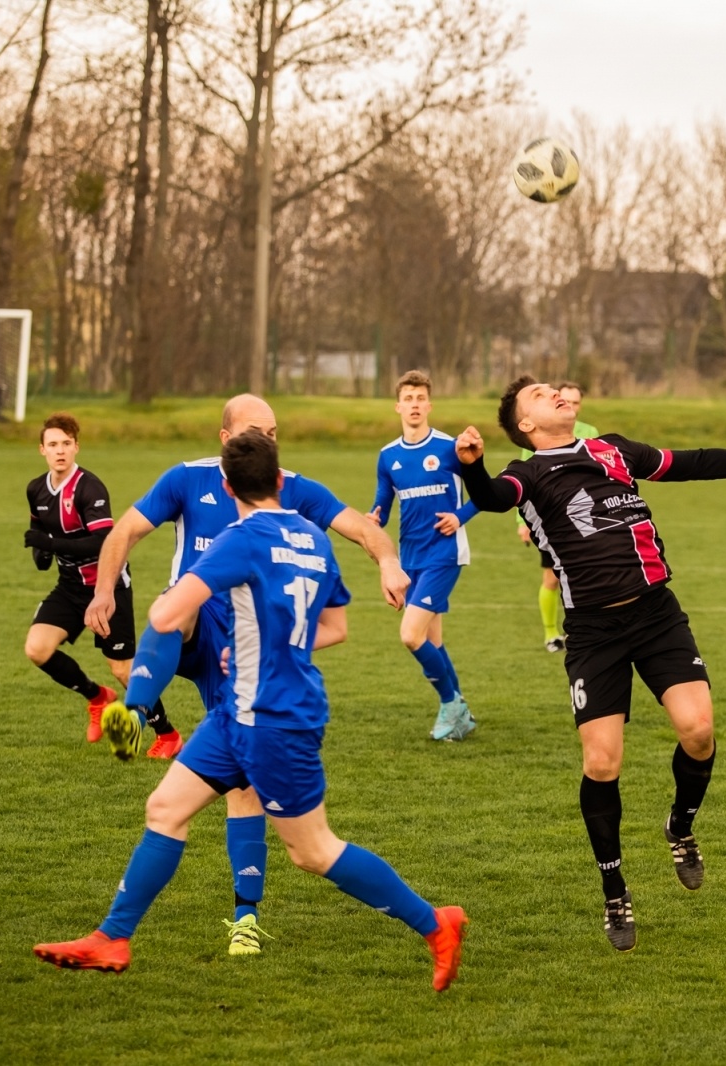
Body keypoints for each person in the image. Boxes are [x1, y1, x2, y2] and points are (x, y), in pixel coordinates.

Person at [34, 430, 468, 989]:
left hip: (275, 721)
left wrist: (146, 688)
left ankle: (434, 923)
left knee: (313, 851)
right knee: (165, 808)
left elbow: (167, 616)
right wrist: (260, 646)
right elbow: (334, 628)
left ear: (227, 488)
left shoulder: (238, 539)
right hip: (237, 711)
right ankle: (112, 937)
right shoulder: (312, 538)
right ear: (281, 479)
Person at [453, 376, 726, 951]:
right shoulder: (525, 474)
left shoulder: (613, 450)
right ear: (525, 424)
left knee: (698, 730)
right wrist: (472, 466)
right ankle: (615, 890)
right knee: (602, 763)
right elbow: (493, 498)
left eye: (554, 389)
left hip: (656, 615)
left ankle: (680, 825)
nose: (555, 394)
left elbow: (694, 462)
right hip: (594, 633)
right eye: (539, 395)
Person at [83, 392, 409, 954]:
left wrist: (389, 561)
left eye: (274, 432)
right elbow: (125, 532)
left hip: (246, 647)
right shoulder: (186, 479)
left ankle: (245, 917)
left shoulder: (291, 489)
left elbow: (361, 528)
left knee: (244, 787)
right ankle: (134, 714)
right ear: (224, 438)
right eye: (257, 431)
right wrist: (104, 589)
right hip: (199, 623)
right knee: (174, 610)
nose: (267, 441)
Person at [23, 412, 167, 747]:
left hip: (108, 586)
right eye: (53, 444)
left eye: (66, 443)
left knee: (122, 669)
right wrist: (41, 554)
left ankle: (167, 734)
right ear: (42, 449)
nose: (60, 450)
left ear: (76, 447)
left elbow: (104, 542)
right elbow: (38, 531)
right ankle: (97, 696)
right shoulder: (36, 489)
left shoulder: (89, 487)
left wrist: (51, 545)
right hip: (70, 587)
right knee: (37, 648)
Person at [369, 370, 478, 742]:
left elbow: (484, 493)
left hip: (445, 554)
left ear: (429, 405)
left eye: (420, 398)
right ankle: (460, 711)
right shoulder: (388, 456)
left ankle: (449, 704)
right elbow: (383, 503)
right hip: (410, 556)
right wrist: (374, 518)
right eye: (408, 399)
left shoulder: (450, 447)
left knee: (410, 635)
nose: (414, 405)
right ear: (398, 406)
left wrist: (459, 517)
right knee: (433, 641)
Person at [518, 380, 598, 652]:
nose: (571, 405)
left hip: (583, 515)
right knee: (552, 578)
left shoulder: (589, 432)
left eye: (576, 402)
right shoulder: (536, 432)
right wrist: (522, 522)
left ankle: (582, 631)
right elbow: (523, 481)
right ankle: (551, 634)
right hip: (550, 517)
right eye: (567, 400)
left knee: (588, 576)